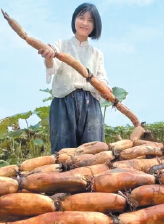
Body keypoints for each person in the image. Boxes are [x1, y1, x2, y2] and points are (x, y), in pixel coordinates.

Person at [38, 3, 111, 154]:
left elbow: (102, 78)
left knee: (92, 154)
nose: (85, 23)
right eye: (81, 18)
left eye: (90, 20)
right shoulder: (60, 45)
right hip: (63, 102)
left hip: (90, 105)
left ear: (95, 25)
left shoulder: (97, 54)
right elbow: (52, 67)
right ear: (74, 20)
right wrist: (49, 57)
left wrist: (105, 88)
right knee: (63, 154)